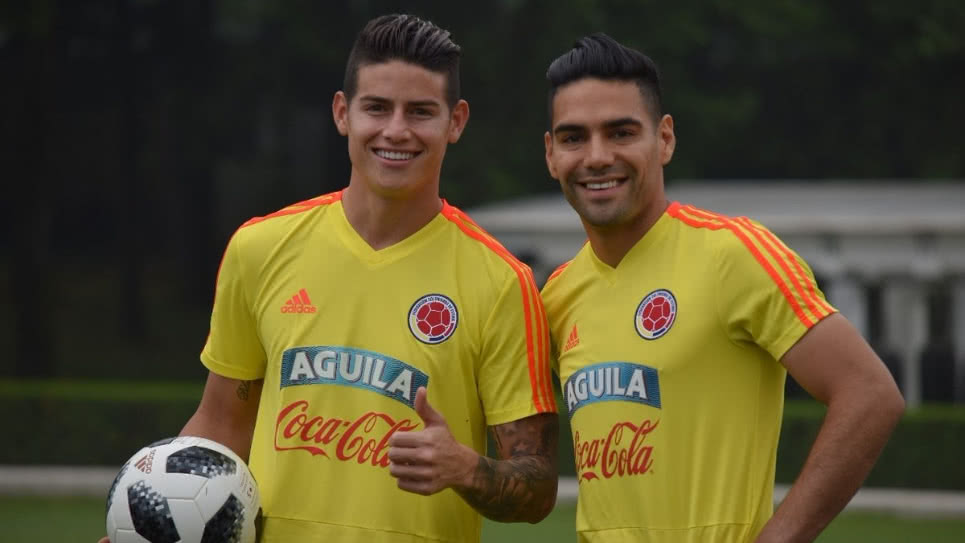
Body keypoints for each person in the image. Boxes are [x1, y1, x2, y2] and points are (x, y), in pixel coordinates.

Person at [100, 13, 558, 543]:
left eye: (420, 111)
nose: (396, 130)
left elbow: (538, 487)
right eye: (377, 107)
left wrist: (465, 468)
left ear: (455, 122)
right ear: (343, 113)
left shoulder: (502, 281)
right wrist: (156, 527)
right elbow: (221, 424)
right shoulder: (260, 247)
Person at [539, 33, 904, 542]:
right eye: (574, 138)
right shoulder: (555, 297)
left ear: (664, 139)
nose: (597, 156)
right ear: (552, 154)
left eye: (621, 132)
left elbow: (870, 394)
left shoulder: (734, 254)